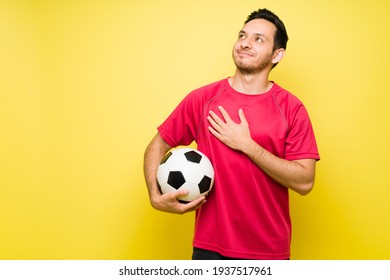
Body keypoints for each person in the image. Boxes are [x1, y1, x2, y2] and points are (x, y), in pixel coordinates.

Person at [143, 8, 320, 260]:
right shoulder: (202, 99)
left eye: (259, 39)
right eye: (242, 35)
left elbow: (305, 182)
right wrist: (154, 193)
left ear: (277, 54)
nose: (245, 44)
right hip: (209, 248)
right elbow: (158, 145)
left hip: (269, 251)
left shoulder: (292, 108)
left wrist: (247, 145)